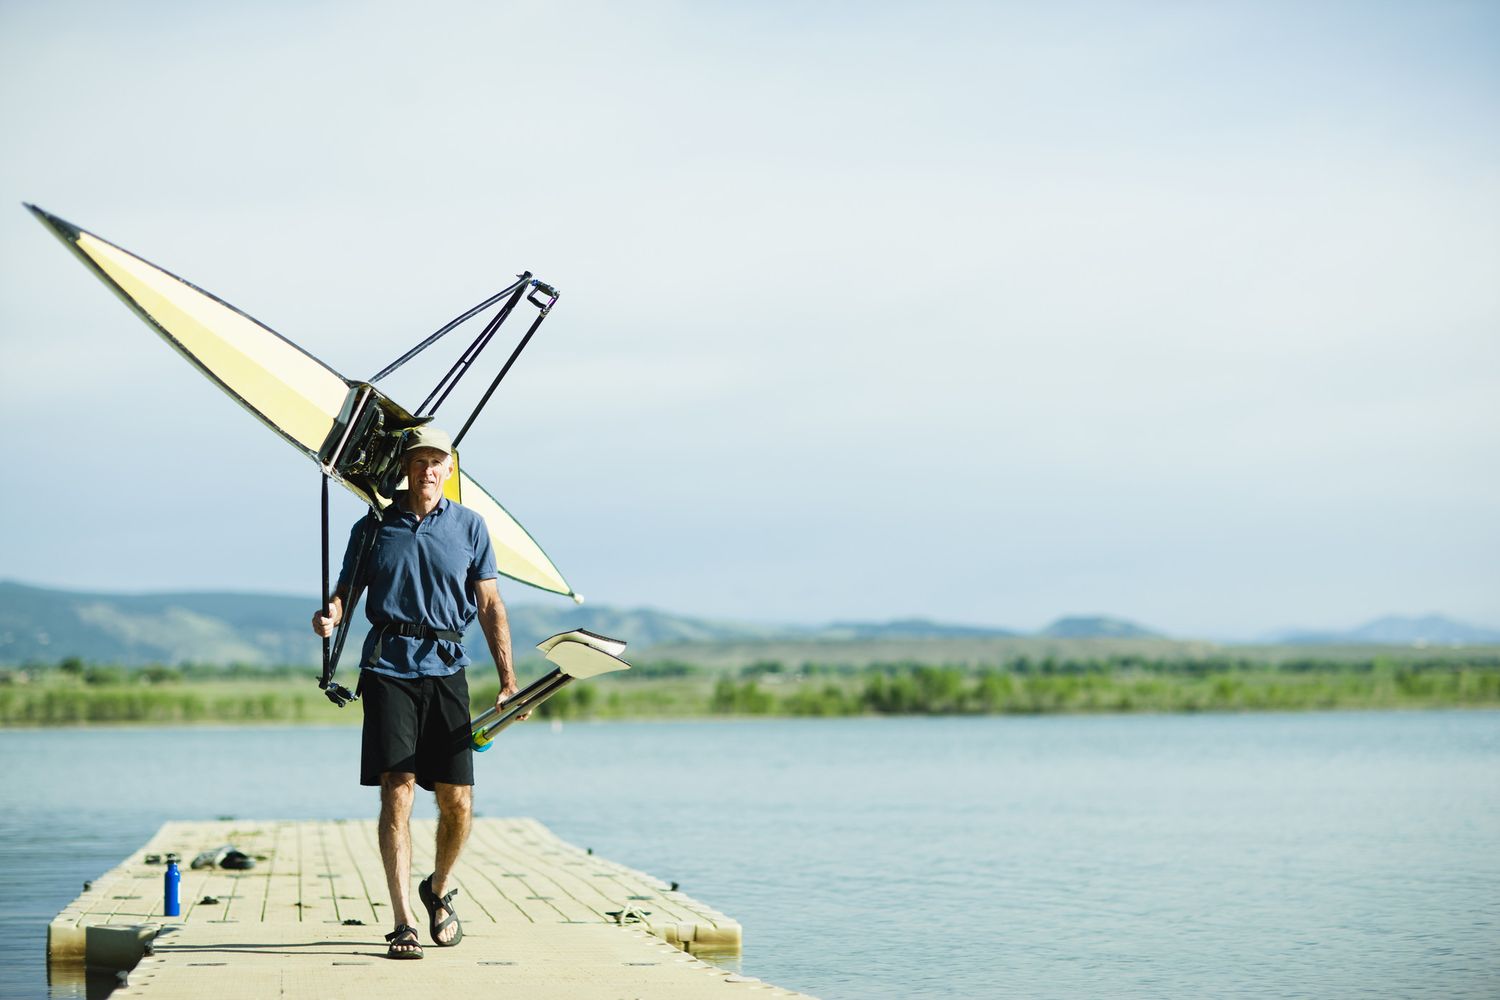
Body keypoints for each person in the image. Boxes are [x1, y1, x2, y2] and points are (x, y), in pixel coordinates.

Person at [311, 426, 520, 960]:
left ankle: (438, 886)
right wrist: (332, 614)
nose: (428, 469)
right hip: (387, 669)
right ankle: (403, 920)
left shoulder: (471, 527)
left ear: (450, 470)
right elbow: (346, 592)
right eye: (419, 460)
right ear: (404, 467)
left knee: (458, 801)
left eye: (437, 461)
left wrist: (508, 680)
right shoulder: (373, 527)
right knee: (397, 790)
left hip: (448, 669)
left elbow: (492, 606)